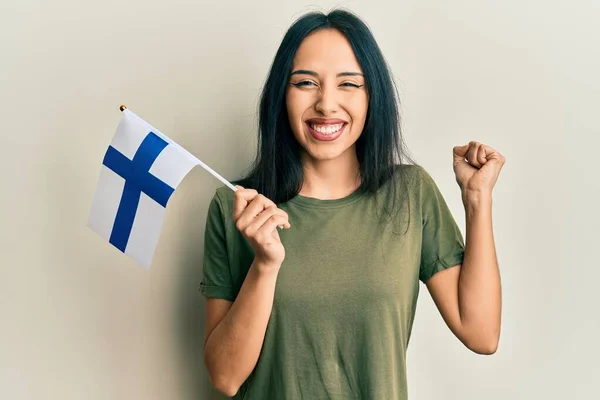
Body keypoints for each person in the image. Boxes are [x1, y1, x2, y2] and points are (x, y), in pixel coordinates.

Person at [200, 8, 505, 400]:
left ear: (371, 95)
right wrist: (265, 265)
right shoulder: (238, 207)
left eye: (349, 84)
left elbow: (481, 333)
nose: (326, 105)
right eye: (306, 82)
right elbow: (225, 378)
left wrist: (477, 200)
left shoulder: (410, 194)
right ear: (281, 96)